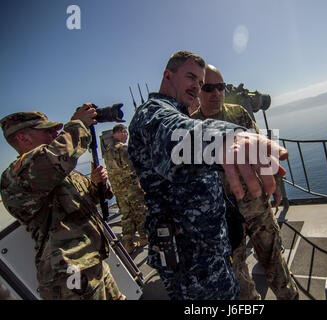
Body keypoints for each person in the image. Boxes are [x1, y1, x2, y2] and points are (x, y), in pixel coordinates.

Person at [128, 50, 289, 300]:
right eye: (192, 78)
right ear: (168, 75)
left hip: (217, 240)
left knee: (271, 258)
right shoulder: (155, 114)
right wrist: (226, 137)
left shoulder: (230, 113)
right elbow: (175, 135)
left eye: (202, 83)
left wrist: (272, 182)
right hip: (193, 262)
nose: (200, 87)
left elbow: (259, 143)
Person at [192, 64, 300, 300]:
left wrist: (277, 183)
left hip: (255, 204)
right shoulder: (190, 127)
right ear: (198, 90)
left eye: (220, 87)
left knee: (274, 260)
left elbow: (261, 147)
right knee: (236, 271)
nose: (216, 93)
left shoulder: (238, 113)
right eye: (209, 88)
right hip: (223, 213)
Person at [0, 106, 125, 300]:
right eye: (47, 131)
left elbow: (88, 199)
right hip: (68, 278)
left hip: (92, 264)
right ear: (23, 138)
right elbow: (56, 158)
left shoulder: (59, 173)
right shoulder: (17, 177)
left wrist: (96, 184)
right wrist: (79, 123)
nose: (55, 133)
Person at [103, 124, 147, 254]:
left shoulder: (107, 151)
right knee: (140, 212)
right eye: (125, 132)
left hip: (118, 189)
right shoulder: (123, 149)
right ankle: (144, 237)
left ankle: (128, 243)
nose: (126, 135)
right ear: (121, 132)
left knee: (126, 215)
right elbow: (133, 168)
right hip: (131, 188)